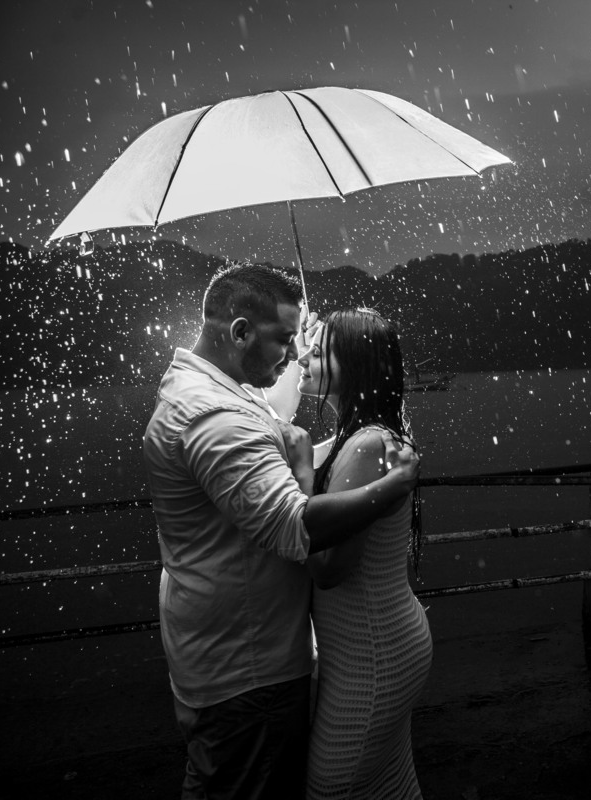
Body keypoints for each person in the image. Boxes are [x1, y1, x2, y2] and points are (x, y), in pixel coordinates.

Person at [142, 263, 420, 800]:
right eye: (284, 341)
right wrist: (392, 486)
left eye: (304, 345)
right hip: (246, 668)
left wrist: (296, 344)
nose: (295, 354)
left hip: (240, 654)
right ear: (240, 332)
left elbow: (275, 424)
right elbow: (296, 525)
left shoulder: (225, 390)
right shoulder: (215, 417)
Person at [285, 308, 432, 799]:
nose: (302, 358)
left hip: (374, 653)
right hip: (381, 640)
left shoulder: (367, 444)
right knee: (389, 785)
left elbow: (330, 569)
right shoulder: (366, 436)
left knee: (333, 787)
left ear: (352, 366)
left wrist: (301, 478)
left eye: (317, 353)